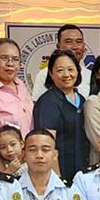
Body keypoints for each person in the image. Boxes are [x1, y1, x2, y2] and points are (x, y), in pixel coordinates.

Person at [33, 49, 88, 181]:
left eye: (71, 69)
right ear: (51, 73)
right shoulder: (47, 102)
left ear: (78, 71)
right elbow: (46, 145)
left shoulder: (81, 99)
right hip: (61, 173)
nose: (66, 74)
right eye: (60, 70)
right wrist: (57, 179)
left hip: (83, 171)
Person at [31, 25, 92, 100]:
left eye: (79, 42)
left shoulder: (90, 76)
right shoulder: (44, 75)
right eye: (68, 42)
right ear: (58, 46)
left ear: (84, 47)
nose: (75, 47)